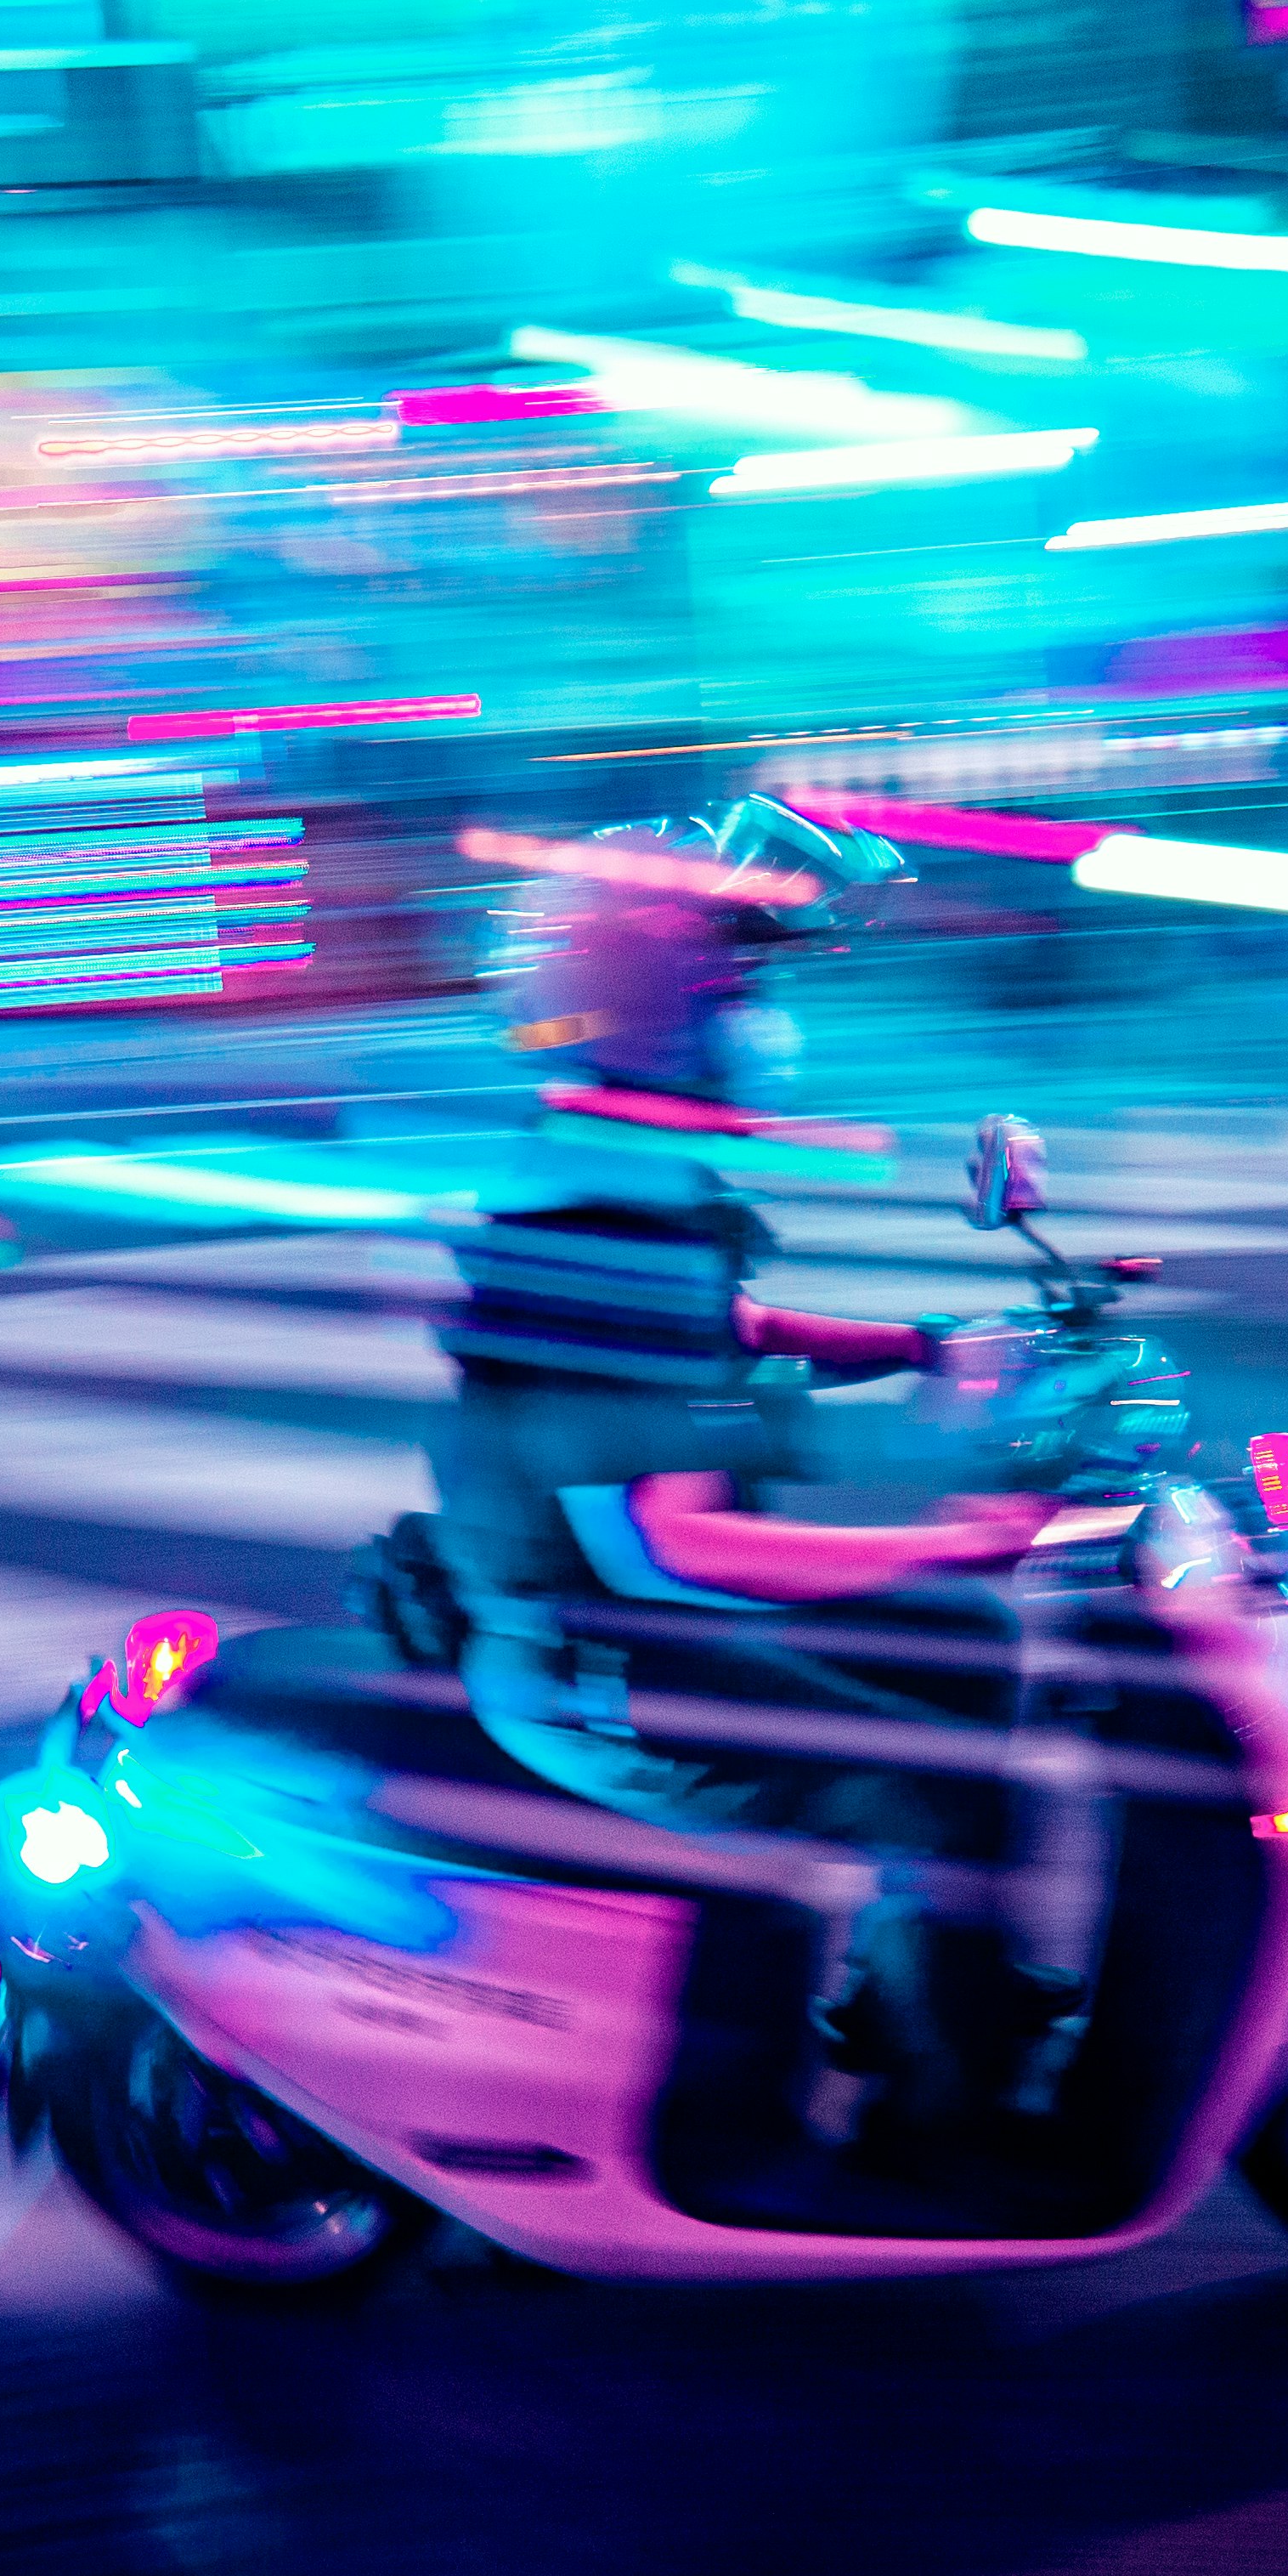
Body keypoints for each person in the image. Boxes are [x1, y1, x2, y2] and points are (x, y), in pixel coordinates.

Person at [415, 795, 1060, 2150]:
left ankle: (932, 1989)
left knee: (967, 1648)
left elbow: (723, 1336)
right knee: (920, 1780)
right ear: (645, 992)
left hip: (626, 1612)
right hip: (600, 1655)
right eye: (732, 970)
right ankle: (942, 2130)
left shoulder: (622, 1170)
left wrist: (918, 1342)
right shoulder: (600, 1206)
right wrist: (955, 1535)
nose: (757, 1011)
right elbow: (681, 1543)